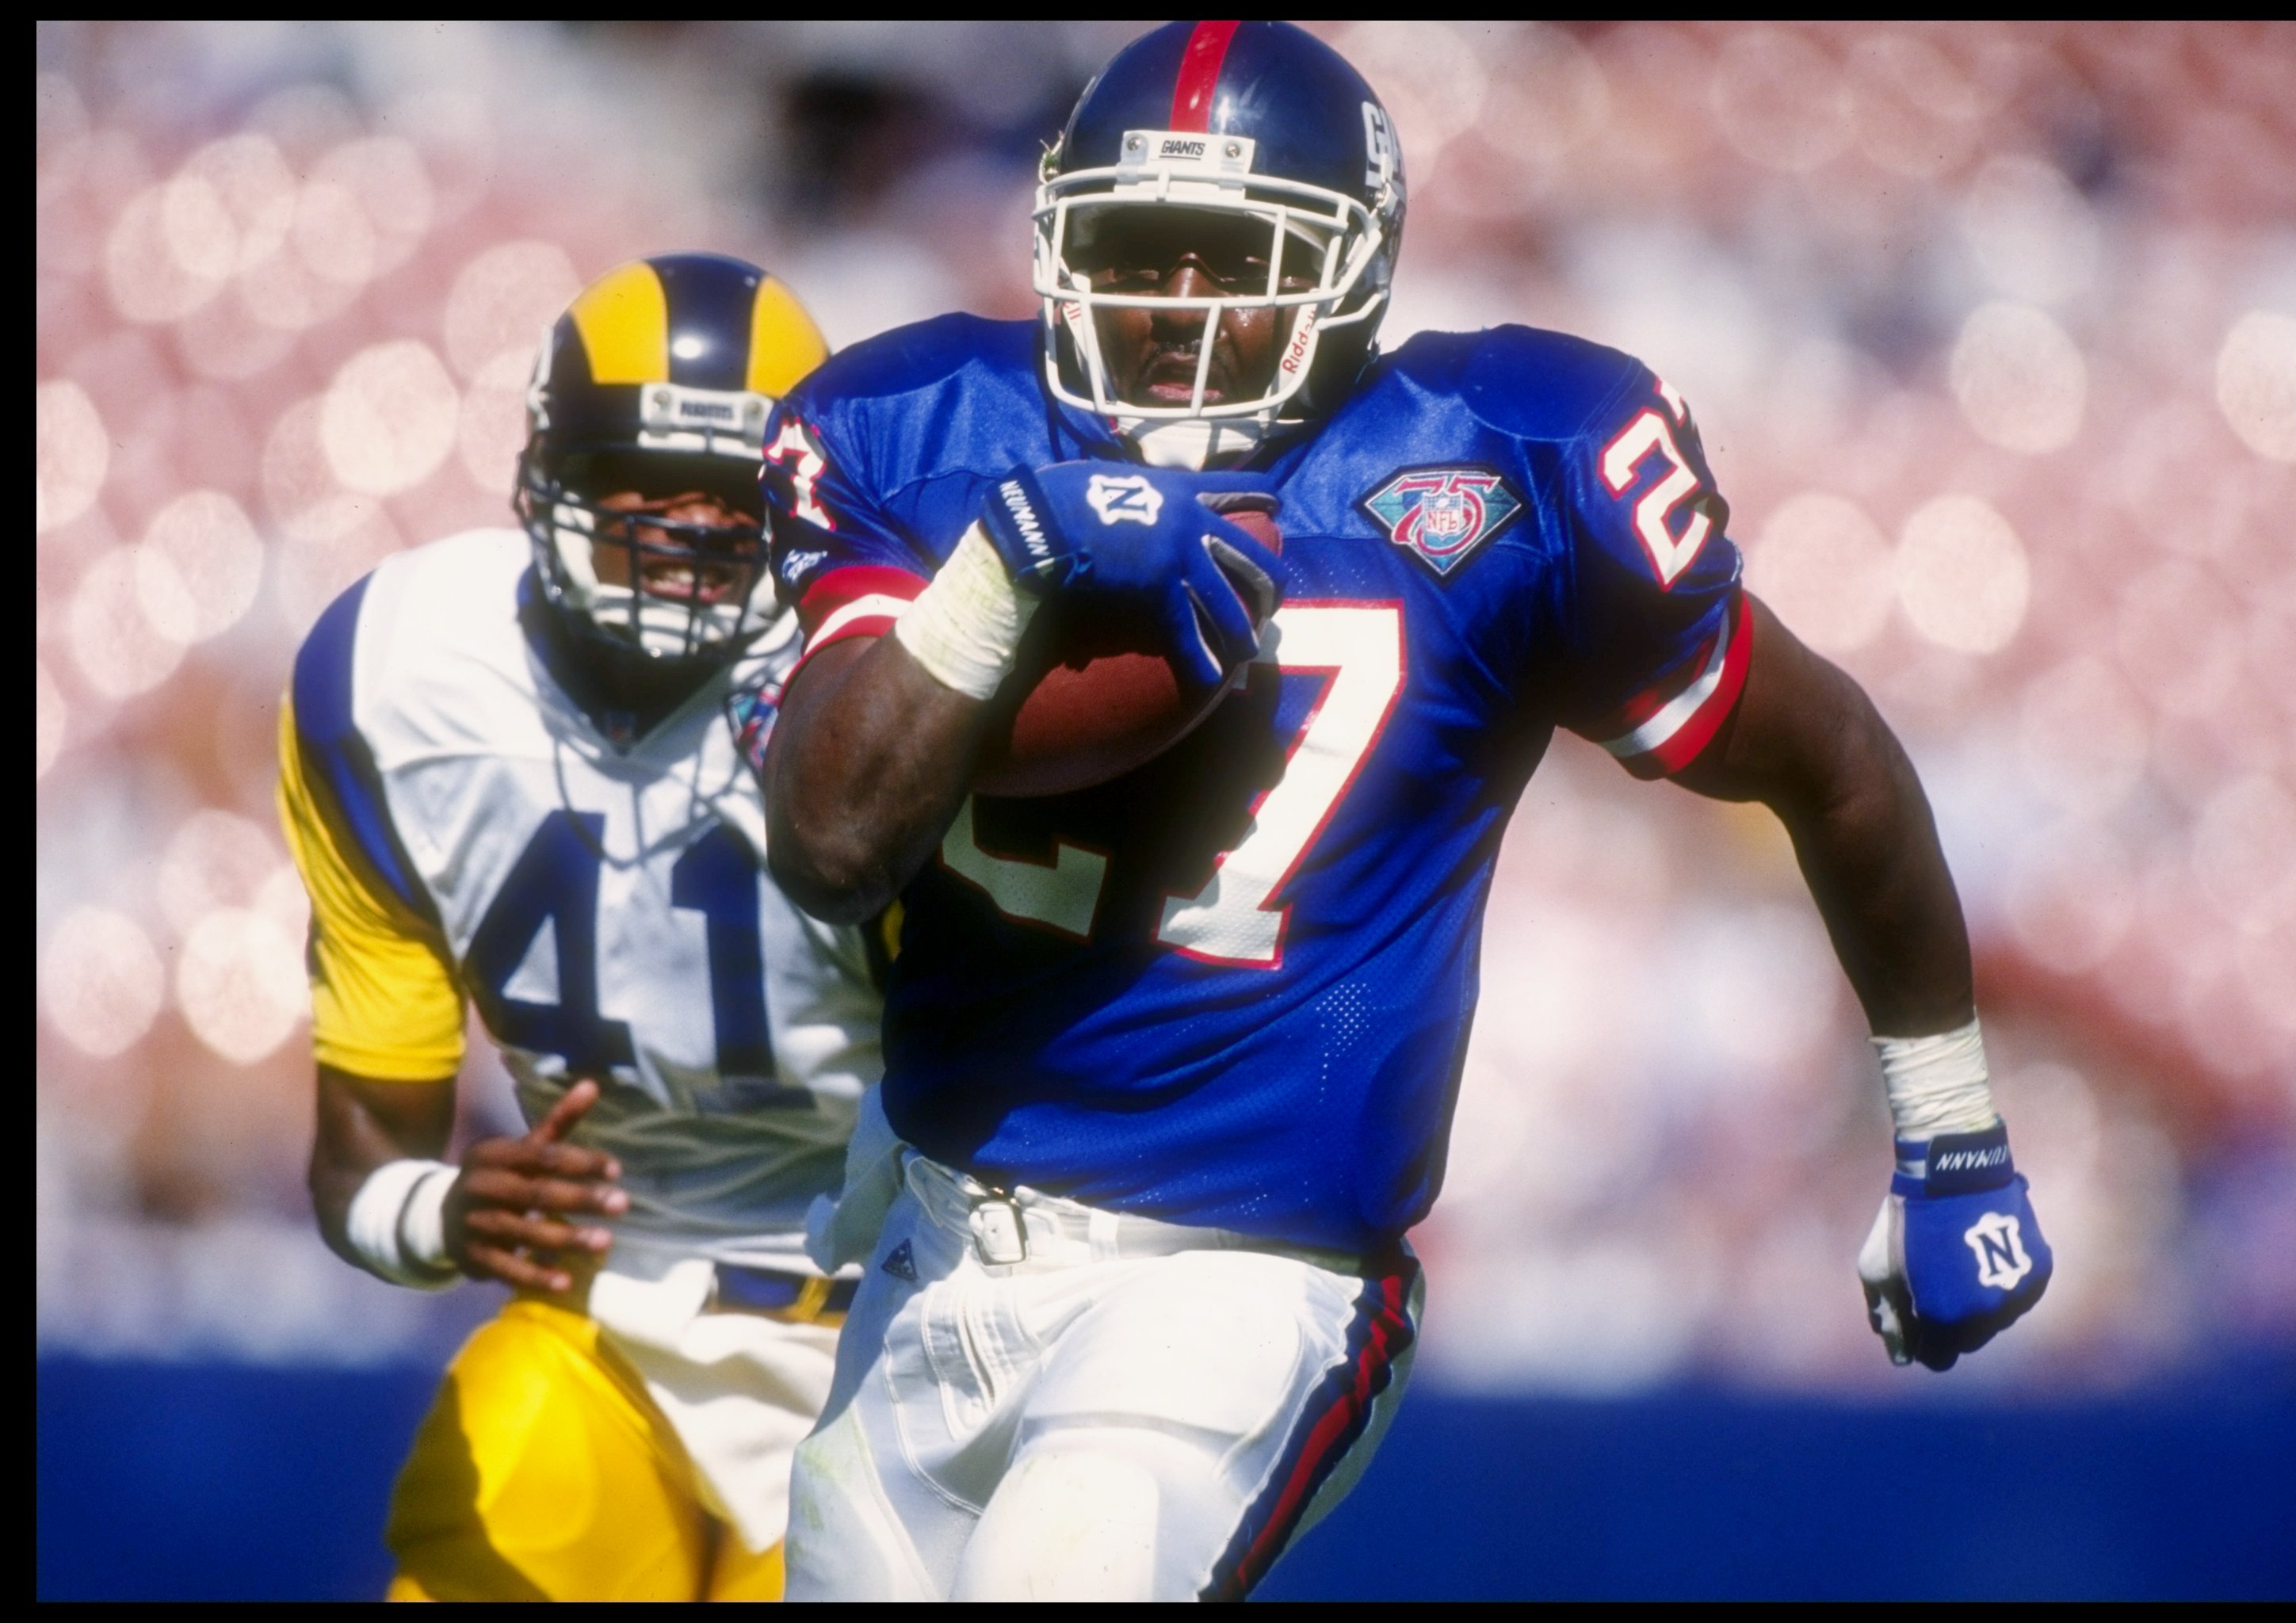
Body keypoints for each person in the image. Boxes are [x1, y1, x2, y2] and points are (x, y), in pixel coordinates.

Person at [758, 21, 2053, 1603]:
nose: (1172, 311)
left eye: (1225, 259)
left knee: (1062, 1567)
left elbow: (1829, 756)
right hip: (932, 1244)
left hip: (1240, 1283)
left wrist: (1952, 1132)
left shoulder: (1506, 462)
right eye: (1136, 252)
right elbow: (827, 834)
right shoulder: (929, 431)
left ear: (1350, 270)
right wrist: (1010, 561)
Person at [278, 252, 882, 1600]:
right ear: (544, 467)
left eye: (727, 497)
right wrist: (444, 1212)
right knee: (493, 1479)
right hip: (610, 1309)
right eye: (636, 479)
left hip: (896, 1333)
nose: (677, 530)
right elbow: (362, 1162)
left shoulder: (876, 693)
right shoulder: (395, 677)